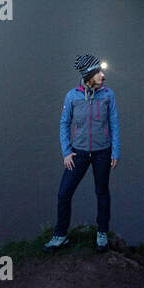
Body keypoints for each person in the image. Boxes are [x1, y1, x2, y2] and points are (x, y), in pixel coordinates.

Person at [43, 53, 119, 254]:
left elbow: (114, 124)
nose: (103, 75)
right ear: (89, 75)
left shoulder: (108, 95)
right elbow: (63, 124)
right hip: (78, 154)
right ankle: (60, 235)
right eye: (99, 72)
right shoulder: (72, 96)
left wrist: (116, 152)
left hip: (103, 152)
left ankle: (102, 233)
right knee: (64, 193)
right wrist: (67, 152)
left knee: (102, 193)